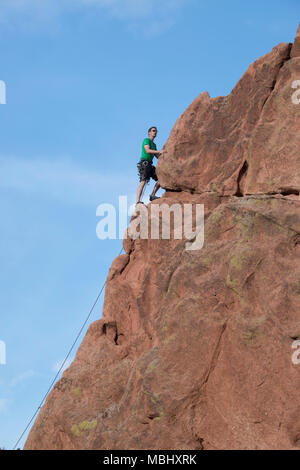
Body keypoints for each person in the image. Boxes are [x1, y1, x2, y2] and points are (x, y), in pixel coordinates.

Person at [136, 126, 164, 204]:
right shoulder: (146, 140)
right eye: (153, 131)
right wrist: (159, 151)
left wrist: (165, 158)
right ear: (149, 133)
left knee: (161, 178)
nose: (155, 132)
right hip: (144, 163)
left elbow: (157, 156)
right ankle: (137, 201)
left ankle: (152, 195)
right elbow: (147, 150)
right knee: (143, 181)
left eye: (156, 131)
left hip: (150, 165)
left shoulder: (154, 145)